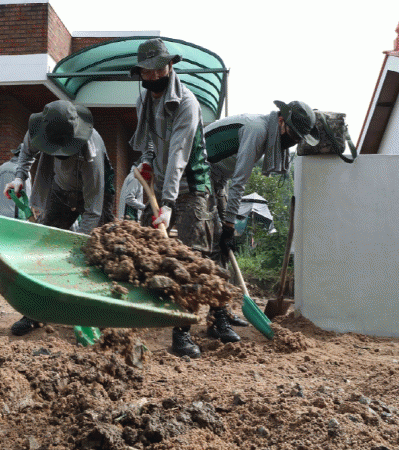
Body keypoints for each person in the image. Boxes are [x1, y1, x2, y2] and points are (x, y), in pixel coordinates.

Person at [129, 38, 245, 358]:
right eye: (147, 71)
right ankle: (157, 316)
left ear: (170, 66)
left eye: (159, 69)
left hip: (192, 187)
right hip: (163, 185)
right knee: (151, 251)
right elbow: (150, 141)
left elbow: (179, 154)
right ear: (140, 73)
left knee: (196, 258)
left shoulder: (187, 103)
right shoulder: (144, 100)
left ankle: (199, 327)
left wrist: (167, 203)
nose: (153, 76)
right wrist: (148, 162)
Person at [5, 99, 113, 336]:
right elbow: (27, 152)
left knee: (99, 252)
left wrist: (76, 248)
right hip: (60, 190)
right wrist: (19, 177)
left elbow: (93, 210)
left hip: (95, 196)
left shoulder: (92, 151)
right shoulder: (40, 130)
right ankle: (35, 312)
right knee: (44, 247)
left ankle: (100, 312)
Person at [203, 100, 318, 257]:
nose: (292, 142)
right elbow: (239, 182)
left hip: (218, 177)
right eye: (292, 135)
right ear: (280, 120)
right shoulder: (257, 131)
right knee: (208, 234)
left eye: (298, 139)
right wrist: (229, 227)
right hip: (199, 168)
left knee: (222, 243)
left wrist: (228, 225)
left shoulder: (268, 131)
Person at [0, 143, 32, 218]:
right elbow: (28, 195)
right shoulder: (23, 172)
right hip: (18, 216)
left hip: (1, 213)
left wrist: (4, 196)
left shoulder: (0, 168)